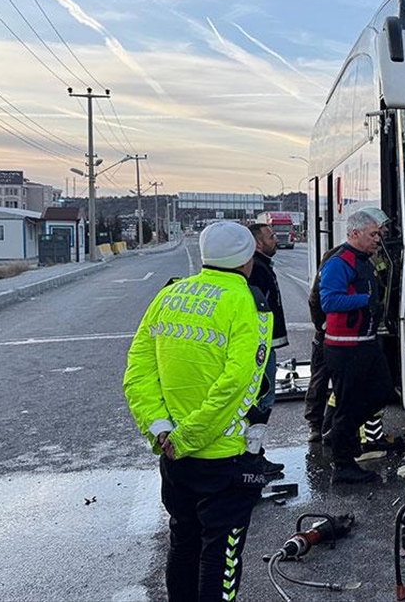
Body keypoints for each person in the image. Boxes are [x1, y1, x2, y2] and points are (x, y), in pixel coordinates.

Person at [123, 221, 274, 602]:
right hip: (222, 458)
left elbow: (138, 373)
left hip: (174, 456)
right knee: (221, 555)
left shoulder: (168, 295)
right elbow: (240, 387)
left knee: (184, 540)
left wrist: (162, 431)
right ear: (247, 260)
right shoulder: (248, 303)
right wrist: (189, 437)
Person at [318, 209, 400, 483]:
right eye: (373, 234)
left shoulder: (364, 259)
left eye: (379, 233)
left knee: (383, 392)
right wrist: (364, 301)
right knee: (348, 404)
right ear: (355, 234)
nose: (379, 239)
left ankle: (345, 435)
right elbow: (328, 302)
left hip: (367, 342)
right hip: (345, 347)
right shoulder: (340, 262)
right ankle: (342, 464)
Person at [245, 223, 287, 476]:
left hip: (265, 346)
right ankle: (252, 457)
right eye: (271, 237)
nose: (276, 240)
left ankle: (254, 455)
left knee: (262, 400)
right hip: (260, 349)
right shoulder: (257, 270)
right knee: (262, 400)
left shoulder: (261, 266)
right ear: (258, 243)